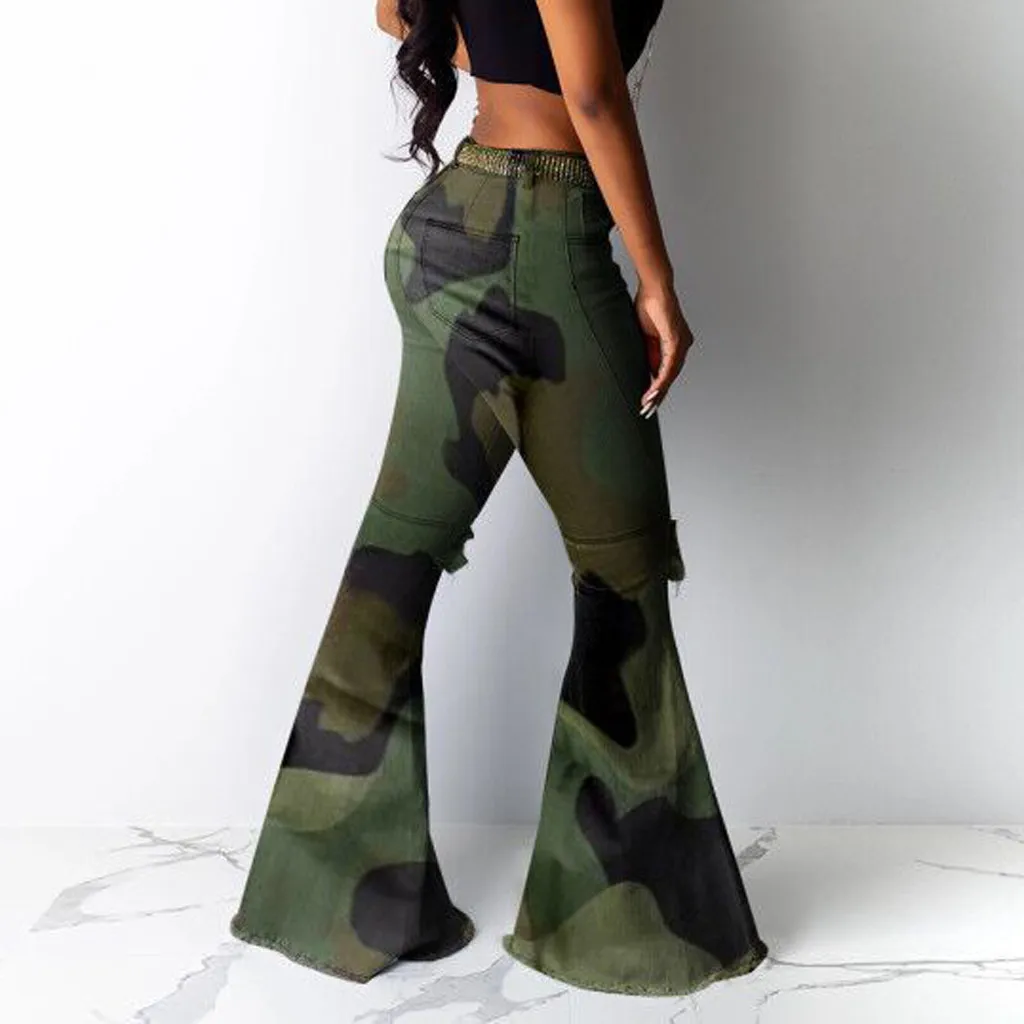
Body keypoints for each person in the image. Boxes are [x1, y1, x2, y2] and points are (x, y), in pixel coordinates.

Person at [229, 0, 770, 998]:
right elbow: (591, 94)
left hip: (458, 232)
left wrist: (501, 49)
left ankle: (329, 904)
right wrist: (656, 279)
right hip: (541, 238)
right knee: (622, 576)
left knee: (395, 565)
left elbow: (397, 13)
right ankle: (623, 929)